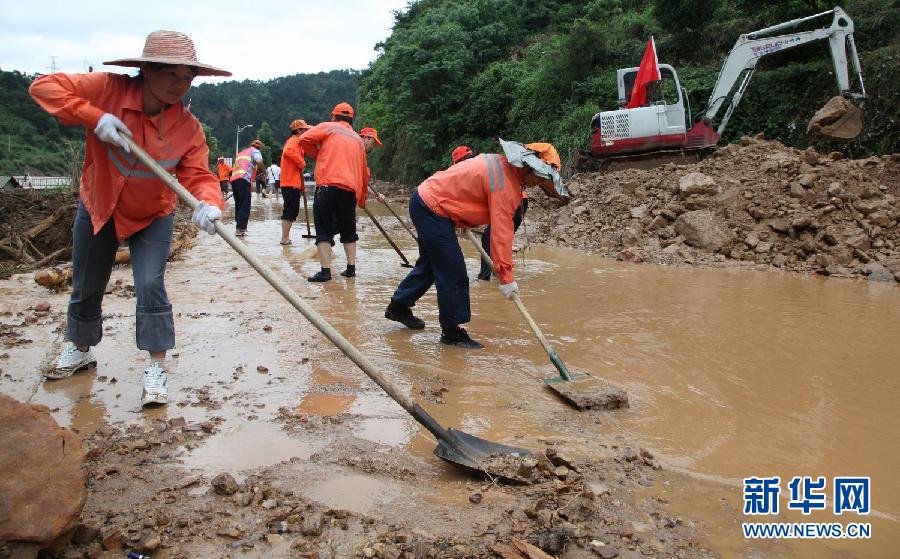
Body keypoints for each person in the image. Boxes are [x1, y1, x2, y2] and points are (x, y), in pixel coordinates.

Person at [29, 30, 230, 406]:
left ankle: (156, 368)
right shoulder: (108, 89)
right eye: (172, 73)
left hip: (153, 213)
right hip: (100, 204)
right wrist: (93, 116)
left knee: (151, 285)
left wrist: (208, 203)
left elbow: (199, 176)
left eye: (187, 77)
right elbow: (44, 87)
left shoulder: (187, 128)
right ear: (146, 69)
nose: (180, 84)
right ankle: (81, 347)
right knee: (87, 283)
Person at [384, 139, 568, 349]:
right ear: (528, 167)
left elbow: (470, 192)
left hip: (426, 201)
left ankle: (398, 307)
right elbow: (500, 234)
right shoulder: (506, 184)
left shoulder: (502, 167)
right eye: (540, 177)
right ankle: (451, 332)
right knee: (454, 272)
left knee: (431, 266)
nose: (538, 184)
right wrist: (506, 277)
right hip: (432, 207)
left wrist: (461, 216)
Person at [298, 102, 370, 282]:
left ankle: (325, 272)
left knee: (323, 229)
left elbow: (304, 139)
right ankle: (351, 269)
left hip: (328, 186)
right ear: (351, 120)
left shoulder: (328, 127)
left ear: (333, 116)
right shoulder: (357, 140)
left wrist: (319, 155)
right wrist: (361, 199)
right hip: (349, 190)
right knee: (348, 230)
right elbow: (363, 173)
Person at [279, 119, 313, 245]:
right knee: (290, 211)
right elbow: (287, 152)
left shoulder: (298, 143)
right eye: (305, 130)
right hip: (289, 183)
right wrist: (302, 162)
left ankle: (285, 238)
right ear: (298, 130)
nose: (307, 132)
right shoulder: (294, 141)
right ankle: (284, 238)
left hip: (293, 183)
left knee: (292, 211)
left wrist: (302, 188)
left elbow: (297, 170)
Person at [230, 139, 265, 236]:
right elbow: (259, 160)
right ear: (259, 147)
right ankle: (240, 229)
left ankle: (239, 227)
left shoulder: (242, 153)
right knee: (245, 204)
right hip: (243, 180)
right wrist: (265, 172)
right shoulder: (255, 151)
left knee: (239, 204)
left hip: (234, 180)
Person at [359, 127, 385, 203]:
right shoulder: (356, 153)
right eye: (373, 143)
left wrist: (377, 195)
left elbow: (363, 182)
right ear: (367, 138)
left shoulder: (360, 154)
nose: (372, 147)